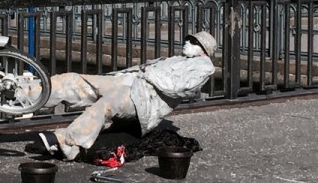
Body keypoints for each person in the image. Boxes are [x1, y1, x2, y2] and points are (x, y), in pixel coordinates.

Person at [36, 31, 217, 161]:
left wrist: (149, 72)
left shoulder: (204, 67)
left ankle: (67, 142)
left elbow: (178, 87)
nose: (187, 42)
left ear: (204, 50)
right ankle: (27, 97)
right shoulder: (179, 59)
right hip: (127, 82)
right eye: (187, 39)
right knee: (73, 81)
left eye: (193, 42)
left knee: (106, 105)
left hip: (143, 98)